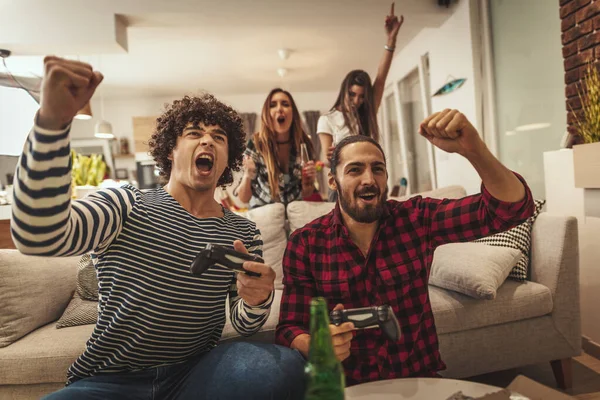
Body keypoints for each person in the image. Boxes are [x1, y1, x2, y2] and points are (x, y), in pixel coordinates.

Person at [11, 56, 305, 400]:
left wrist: (258, 299)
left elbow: (244, 324)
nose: (207, 142)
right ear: (170, 151)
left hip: (198, 373)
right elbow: (38, 235)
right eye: (194, 134)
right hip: (111, 381)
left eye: (219, 138)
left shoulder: (242, 232)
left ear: (229, 158)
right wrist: (52, 124)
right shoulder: (125, 203)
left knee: (284, 368)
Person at [276, 109, 535, 386]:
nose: (368, 179)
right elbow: (289, 328)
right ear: (333, 181)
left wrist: (474, 150)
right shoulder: (305, 243)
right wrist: (314, 344)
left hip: (418, 381)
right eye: (354, 170)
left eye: (377, 169)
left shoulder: (416, 219)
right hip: (345, 386)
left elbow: (511, 210)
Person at [317, 3, 404, 169]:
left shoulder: (366, 114)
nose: (356, 101)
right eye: (352, 94)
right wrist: (331, 157)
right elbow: (327, 161)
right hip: (342, 182)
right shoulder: (326, 120)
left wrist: (391, 40)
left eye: (362, 96)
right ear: (344, 91)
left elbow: (380, 78)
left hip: (369, 174)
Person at [236, 88, 318, 208]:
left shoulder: (304, 144)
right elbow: (243, 198)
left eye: (285, 104)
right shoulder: (255, 144)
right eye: (273, 105)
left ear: (293, 113)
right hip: (264, 212)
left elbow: (307, 193)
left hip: (294, 211)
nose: (279, 108)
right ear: (266, 114)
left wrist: (309, 182)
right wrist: (247, 175)